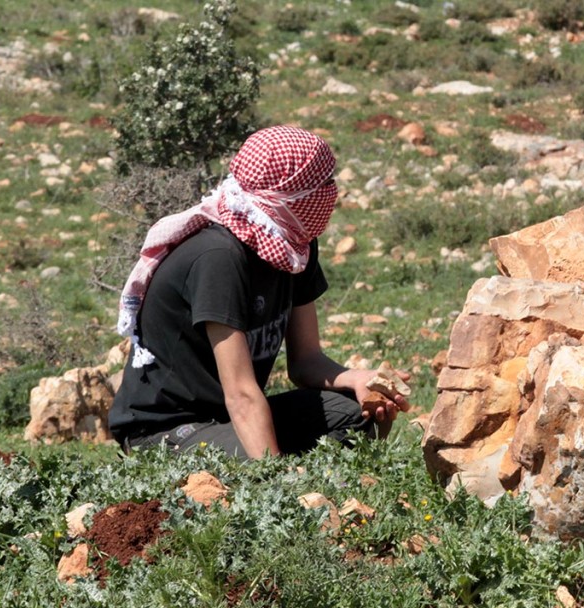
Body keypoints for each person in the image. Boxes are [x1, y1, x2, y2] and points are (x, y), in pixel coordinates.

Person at [108, 125, 410, 459]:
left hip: (228, 418)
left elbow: (305, 362)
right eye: (322, 184)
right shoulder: (219, 259)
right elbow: (240, 394)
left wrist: (357, 379)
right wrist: (276, 480)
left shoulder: (295, 248)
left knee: (356, 412)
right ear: (289, 195)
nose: (331, 192)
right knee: (254, 467)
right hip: (165, 430)